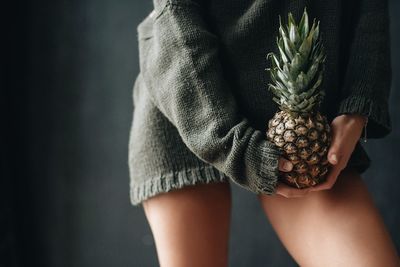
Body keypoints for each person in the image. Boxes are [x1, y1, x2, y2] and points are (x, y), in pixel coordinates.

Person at [128, 0, 400, 266]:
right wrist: (238, 149)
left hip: (305, 130)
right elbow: (176, 13)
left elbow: (371, 8)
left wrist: (357, 106)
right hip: (189, 97)